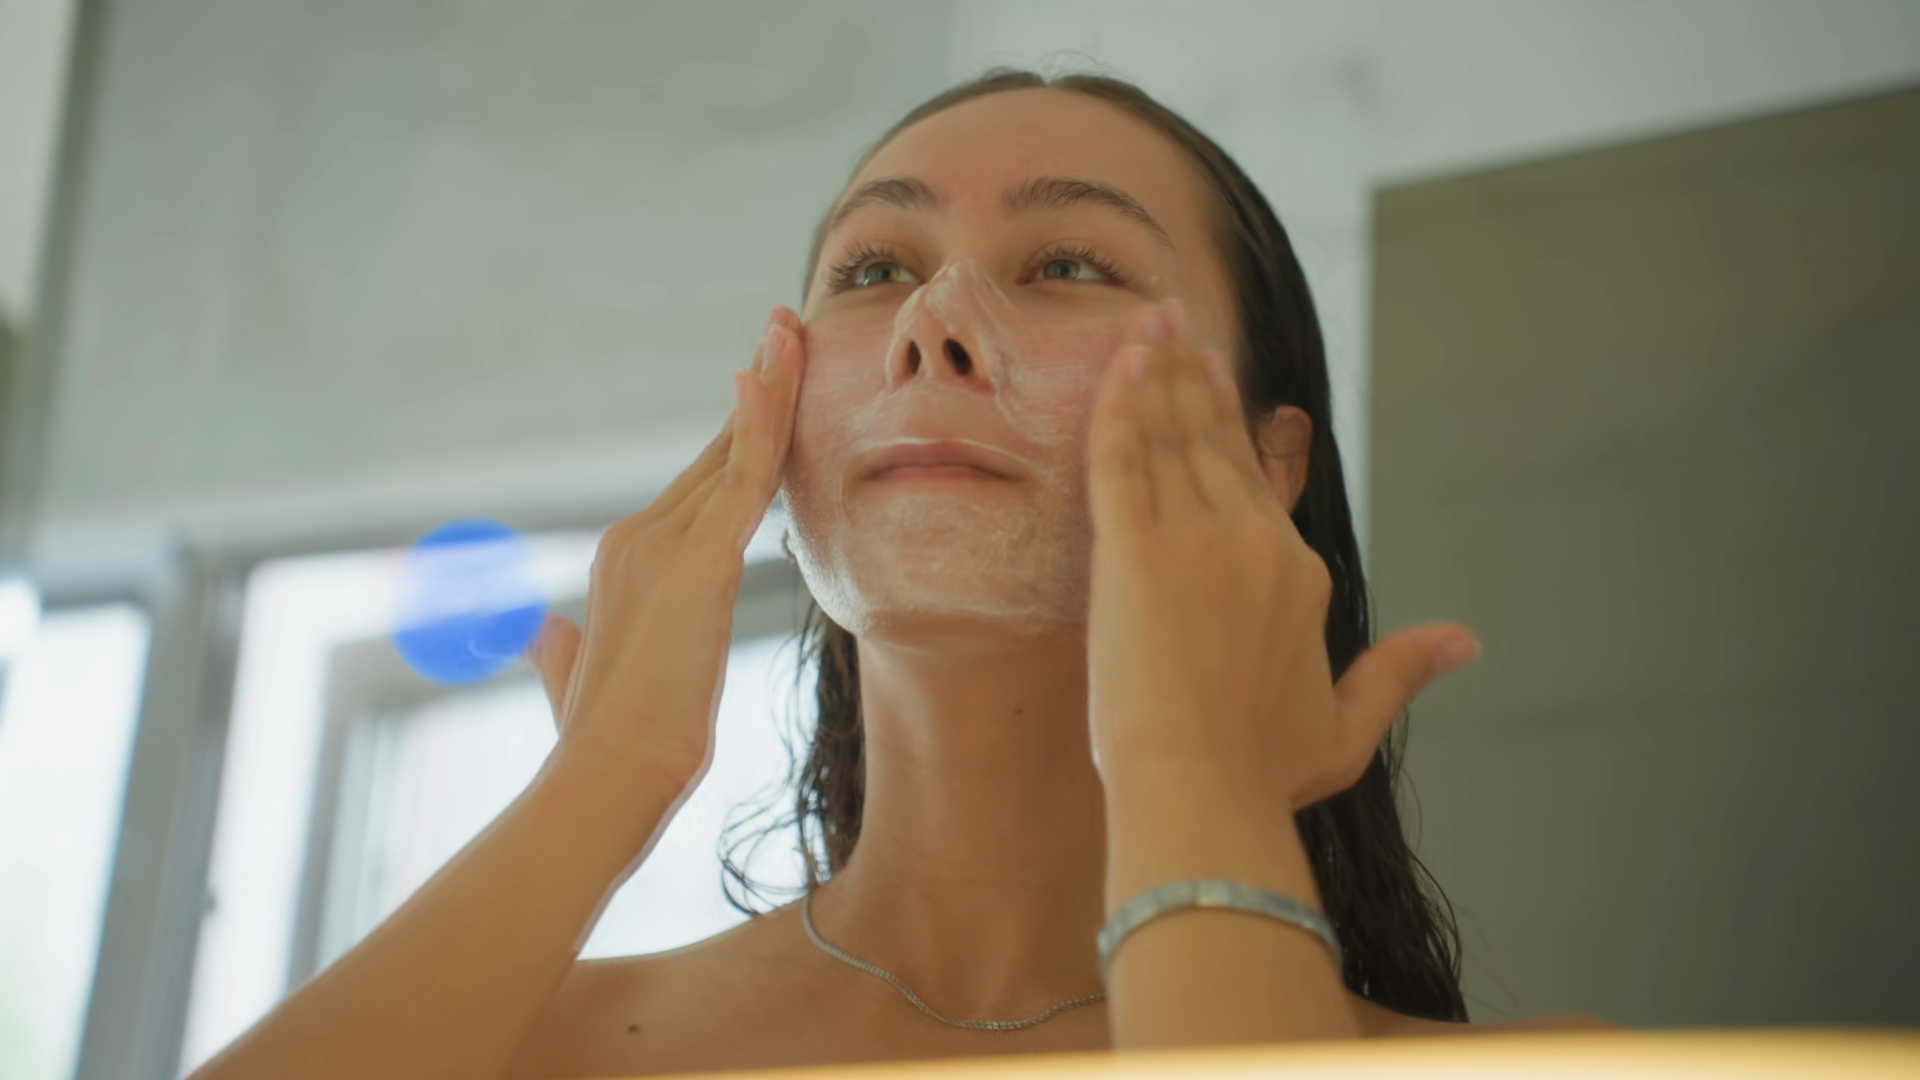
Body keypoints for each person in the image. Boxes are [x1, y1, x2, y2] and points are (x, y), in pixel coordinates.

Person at [188, 68, 1620, 1080]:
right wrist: (604, 775)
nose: (933, 320)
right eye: (874, 270)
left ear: (1267, 459)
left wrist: (1194, 775)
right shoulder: (511, 1053)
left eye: (1068, 264)